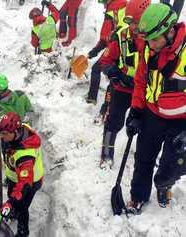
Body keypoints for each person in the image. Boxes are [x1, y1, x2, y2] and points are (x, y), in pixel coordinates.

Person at [126, 3, 185, 214]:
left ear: (170, 32)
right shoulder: (148, 49)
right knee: (143, 158)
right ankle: (138, 195)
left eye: (154, 39)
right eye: (147, 40)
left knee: (174, 164)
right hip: (152, 114)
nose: (150, 44)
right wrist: (135, 111)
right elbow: (141, 81)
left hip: (181, 121)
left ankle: (163, 184)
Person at [98, 0, 150, 168]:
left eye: (138, 21)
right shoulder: (121, 36)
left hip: (145, 93)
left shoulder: (155, 39)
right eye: (131, 21)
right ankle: (106, 154)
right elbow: (105, 61)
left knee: (146, 130)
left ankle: (145, 160)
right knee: (113, 123)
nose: (134, 26)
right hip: (122, 88)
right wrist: (117, 74)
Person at [0, 112, 44, 237]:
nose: (1, 137)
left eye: (4, 134)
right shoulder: (20, 128)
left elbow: (24, 183)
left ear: (15, 132)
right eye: (0, 133)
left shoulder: (25, 156)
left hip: (30, 183)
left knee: (22, 206)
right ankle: (13, 212)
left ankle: (23, 232)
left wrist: (11, 203)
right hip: (14, 177)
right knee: (12, 194)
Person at [86, 0, 127, 105]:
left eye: (104, 3)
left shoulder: (111, 11)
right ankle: (107, 107)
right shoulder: (124, 5)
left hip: (116, 46)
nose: (104, 6)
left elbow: (105, 38)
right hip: (125, 45)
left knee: (97, 69)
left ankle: (92, 99)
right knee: (116, 78)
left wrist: (95, 50)